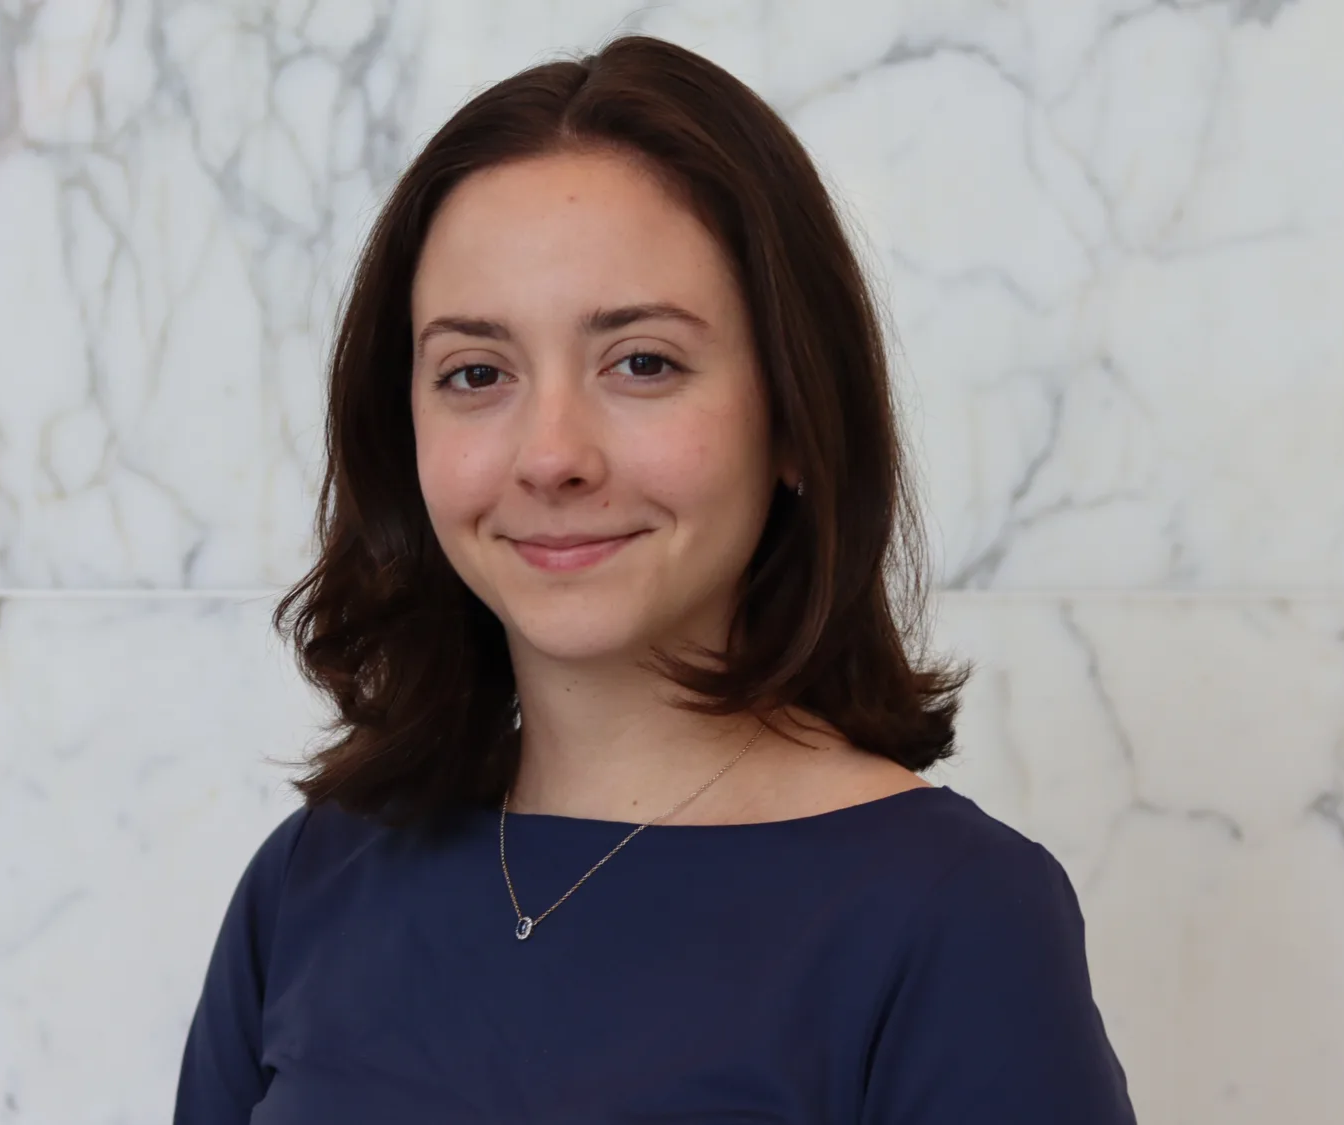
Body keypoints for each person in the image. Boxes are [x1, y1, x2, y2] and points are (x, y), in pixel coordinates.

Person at [174, 34, 1136, 1124]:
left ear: (792, 419)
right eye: (475, 373)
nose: (550, 454)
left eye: (642, 362)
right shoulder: (313, 879)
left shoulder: (953, 916)